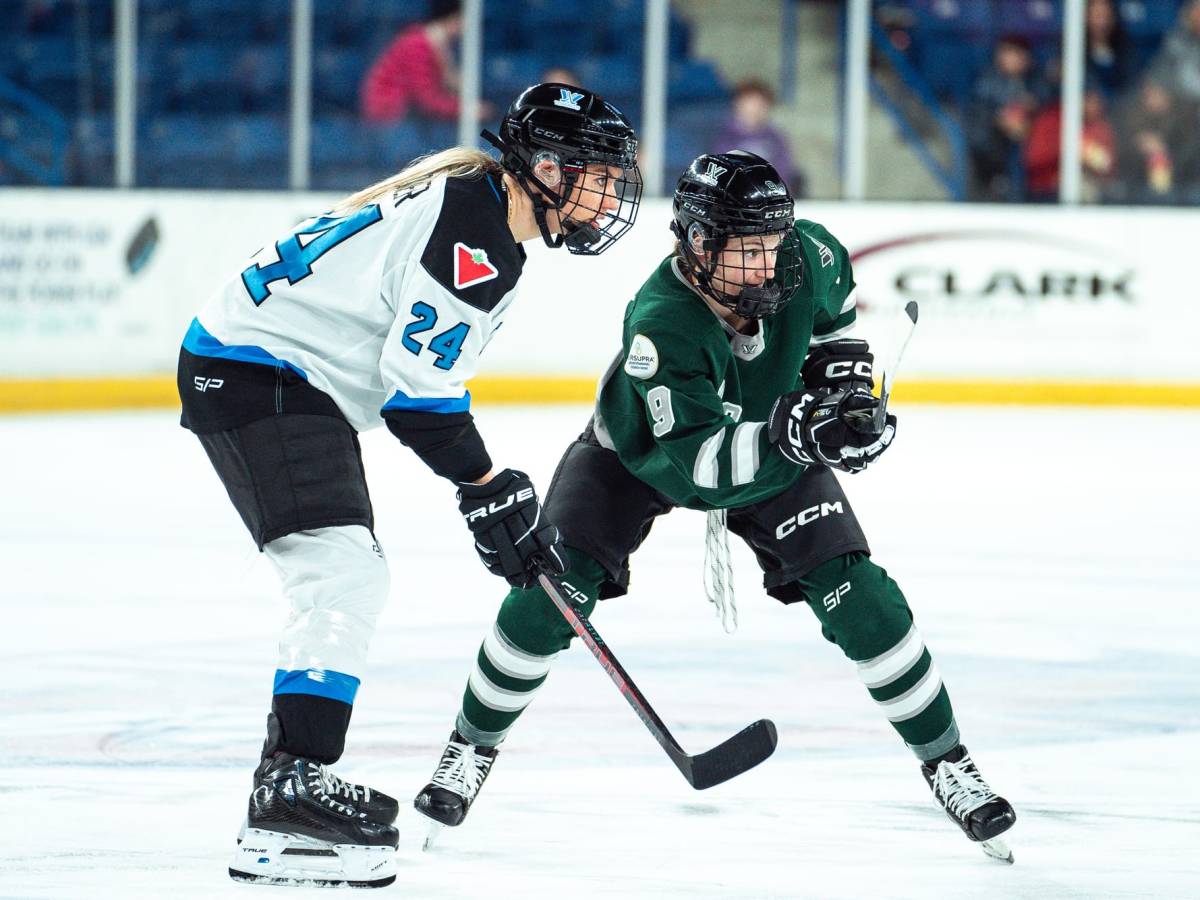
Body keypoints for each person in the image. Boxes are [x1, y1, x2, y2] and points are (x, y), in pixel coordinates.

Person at [412, 151, 1018, 862]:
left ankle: (948, 762)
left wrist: (846, 397)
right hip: (636, 456)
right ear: (699, 244)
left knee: (863, 597)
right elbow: (703, 467)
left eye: (773, 245)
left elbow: (836, 323)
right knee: (550, 593)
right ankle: (470, 747)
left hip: (772, 448)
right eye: (747, 251)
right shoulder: (662, 322)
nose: (766, 267)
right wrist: (802, 432)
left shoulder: (809, 254)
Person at [175, 83, 641, 888]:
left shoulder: (475, 205)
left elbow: (420, 389)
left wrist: (486, 491)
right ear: (544, 169)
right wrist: (487, 486)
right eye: (596, 175)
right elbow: (417, 399)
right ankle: (289, 787)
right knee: (342, 574)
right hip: (260, 374)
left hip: (270, 371)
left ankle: (288, 782)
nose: (608, 195)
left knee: (344, 573)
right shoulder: (477, 236)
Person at [360, 0, 490, 124]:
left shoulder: (442, 46)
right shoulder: (416, 45)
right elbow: (426, 100)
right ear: (454, 19)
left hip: (411, 117)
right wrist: (465, 110)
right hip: (392, 119)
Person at [966, 35, 1039, 201]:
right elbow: (983, 120)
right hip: (991, 158)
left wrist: (1032, 109)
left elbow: (1044, 99)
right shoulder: (987, 82)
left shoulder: (1035, 80)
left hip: (1029, 154)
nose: (1016, 59)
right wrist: (1000, 119)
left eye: (1020, 54)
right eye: (1010, 53)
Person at [713, 80, 806, 198]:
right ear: (738, 103)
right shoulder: (723, 135)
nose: (754, 109)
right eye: (750, 103)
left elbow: (784, 170)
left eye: (759, 104)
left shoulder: (775, 137)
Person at [1024, 83, 1116, 202]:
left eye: (1097, 101)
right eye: (1090, 100)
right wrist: (1068, 151)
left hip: (1090, 189)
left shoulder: (1099, 126)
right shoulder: (1052, 120)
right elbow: (1035, 160)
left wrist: (1097, 161)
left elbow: (1108, 167)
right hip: (1046, 192)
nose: (1095, 106)